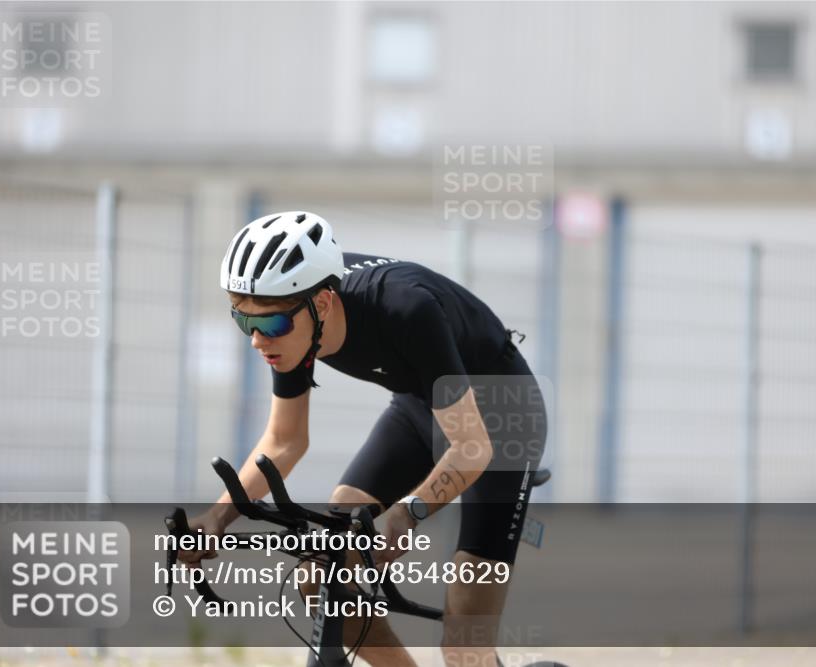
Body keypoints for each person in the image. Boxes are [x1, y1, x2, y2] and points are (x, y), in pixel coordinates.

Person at [179, 211, 547, 667]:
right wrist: (218, 517)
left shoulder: (406, 308)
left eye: (270, 326)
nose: (257, 341)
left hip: (501, 421)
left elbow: (473, 447)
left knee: (464, 646)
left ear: (323, 304)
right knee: (323, 575)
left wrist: (407, 513)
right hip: (419, 409)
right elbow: (285, 440)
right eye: (244, 322)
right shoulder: (295, 323)